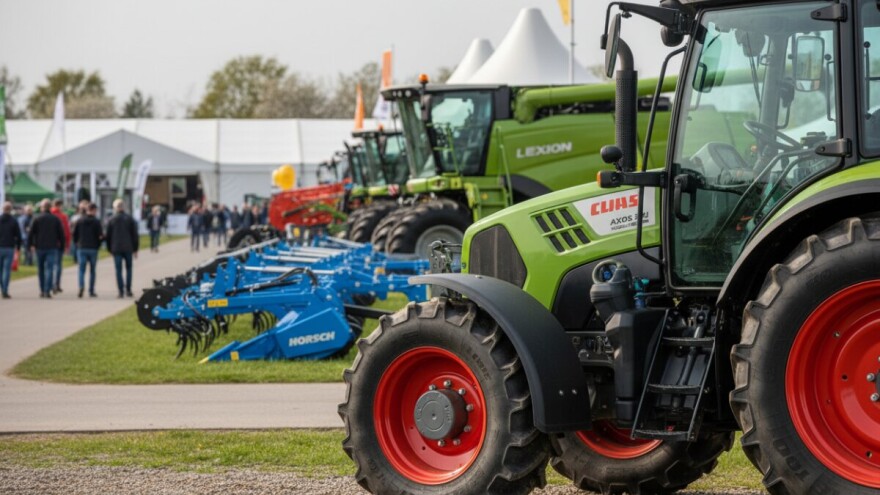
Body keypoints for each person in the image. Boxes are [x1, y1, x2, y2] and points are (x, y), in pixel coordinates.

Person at [29, 199, 65, 298]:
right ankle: (47, 290)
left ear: (42, 207)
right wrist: (62, 246)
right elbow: (61, 234)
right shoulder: (55, 219)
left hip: (40, 247)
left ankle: (42, 289)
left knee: (41, 269)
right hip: (52, 247)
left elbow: (31, 233)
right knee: (49, 269)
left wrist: (31, 245)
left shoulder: (37, 219)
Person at [105, 199, 139, 298]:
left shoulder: (111, 220)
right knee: (129, 269)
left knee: (118, 270)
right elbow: (135, 235)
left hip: (116, 248)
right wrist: (135, 248)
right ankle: (128, 289)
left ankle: (121, 291)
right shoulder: (129, 219)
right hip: (128, 247)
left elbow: (108, 236)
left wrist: (109, 249)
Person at [72, 203, 103, 298]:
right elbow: (100, 236)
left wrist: (77, 243)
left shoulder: (80, 220)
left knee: (81, 270)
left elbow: (74, 234)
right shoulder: (96, 222)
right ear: (93, 210)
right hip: (93, 248)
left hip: (82, 247)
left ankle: (81, 286)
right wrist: (98, 245)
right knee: (92, 271)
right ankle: (91, 290)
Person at [0, 201, 23, 299]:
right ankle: (5, 289)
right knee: (7, 270)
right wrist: (18, 247)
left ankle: (3, 288)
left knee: (1, 270)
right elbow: (18, 235)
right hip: (9, 247)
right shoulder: (14, 221)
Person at [49, 199, 71, 294]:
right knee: (58, 265)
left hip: (47, 244)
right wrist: (67, 245)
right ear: (59, 206)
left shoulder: (48, 215)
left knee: (49, 266)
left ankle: (49, 284)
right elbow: (66, 232)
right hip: (59, 244)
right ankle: (56, 284)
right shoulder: (62, 217)